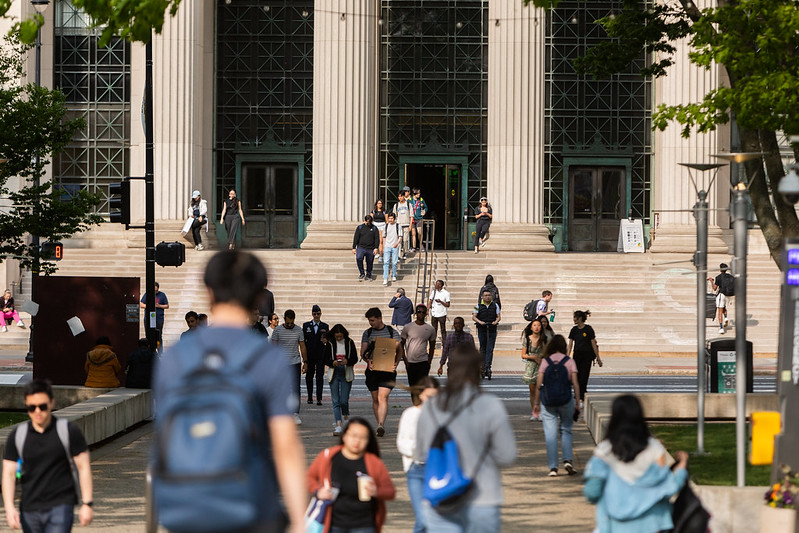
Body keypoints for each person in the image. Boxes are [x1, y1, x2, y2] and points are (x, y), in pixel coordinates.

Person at [152, 250, 307, 532]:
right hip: (249, 503)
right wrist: (299, 521)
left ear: (209, 291)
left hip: (183, 503)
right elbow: (285, 446)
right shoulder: (265, 357)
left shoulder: (176, 356)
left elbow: (164, 432)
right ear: (259, 296)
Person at [415, 344, 516, 531]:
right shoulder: (490, 405)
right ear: (478, 369)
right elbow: (506, 455)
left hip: (441, 495)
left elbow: (421, 454)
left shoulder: (431, 407)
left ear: (450, 368)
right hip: (482, 495)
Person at [584, 395, 690, 533]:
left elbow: (592, 492)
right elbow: (668, 488)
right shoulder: (654, 449)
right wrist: (682, 467)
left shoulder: (604, 452)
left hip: (615, 525)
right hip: (654, 524)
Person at [2, 379, 94, 532]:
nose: (37, 411)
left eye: (42, 407)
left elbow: (83, 467)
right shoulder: (18, 436)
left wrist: (87, 503)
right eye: (32, 408)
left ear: (52, 403)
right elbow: (9, 473)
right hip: (30, 507)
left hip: (61, 505)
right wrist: (9, 507)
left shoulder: (68, 431)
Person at [306, 417, 396, 533]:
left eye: (362, 438)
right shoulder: (328, 456)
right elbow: (309, 478)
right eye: (353, 436)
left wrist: (376, 491)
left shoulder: (373, 462)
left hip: (364, 524)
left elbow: (390, 491)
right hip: (334, 523)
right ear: (344, 436)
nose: (357, 441)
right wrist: (318, 491)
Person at [532, 335, 581, 477]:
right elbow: (576, 384)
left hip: (548, 401)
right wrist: (577, 402)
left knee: (550, 435)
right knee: (566, 430)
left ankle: (553, 467)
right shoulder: (569, 361)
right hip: (566, 399)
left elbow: (539, 384)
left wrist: (536, 403)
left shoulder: (545, 362)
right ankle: (567, 460)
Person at [396, 376, 440, 533]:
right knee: (422, 519)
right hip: (416, 470)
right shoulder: (410, 414)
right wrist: (418, 449)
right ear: (421, 395)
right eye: (429, 397)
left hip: (438, 471)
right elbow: (402, 443)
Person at [360, 307, 401, 438]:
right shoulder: (367, 333)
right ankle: (379, 423)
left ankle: (381, 424)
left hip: (387, 370)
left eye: (372, 320)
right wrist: (368, 362)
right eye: (369, 321)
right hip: (373, 370)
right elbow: (363, 351)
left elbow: (399, 349)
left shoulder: (391, 332)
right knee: (375, 398)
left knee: (382, 397)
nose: (371, 323)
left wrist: (396, 363)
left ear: (379, 318)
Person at [271, 309, 308, 425]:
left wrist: (305, 361)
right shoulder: (277, 330)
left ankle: (295, 413)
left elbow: (302, 346)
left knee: (296, 388)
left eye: (291, 323)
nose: (290, 325)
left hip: (295, 362)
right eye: (288, 323)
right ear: (284, 320)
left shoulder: (298, 330)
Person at [324, 324, 359, 435]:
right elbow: (325, 358)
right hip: (334, 372)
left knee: (344, 400)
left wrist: (347, 361)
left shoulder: (349, 342)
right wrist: (333, 362)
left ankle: (346, 416)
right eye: (336, 337)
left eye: (340, 337)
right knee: (335, 401)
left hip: (346, 372)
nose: (338, 338)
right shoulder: (330, 343)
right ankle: (338, 424)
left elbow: (355, 358)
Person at [401, 305, 436, 403]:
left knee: (422, 387)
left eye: (423, 312)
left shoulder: (430, 329)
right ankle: (415, 405)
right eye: (419, 312)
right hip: (411, 362)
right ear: (415, 313)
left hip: (423, 362)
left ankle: (422, 405)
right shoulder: (408, 327)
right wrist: (405, 359)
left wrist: (429, 361)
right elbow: (401, 344)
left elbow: (432, 346)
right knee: (413, 387)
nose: (421, 314)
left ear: (426, 314)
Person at [568, 309, 603, 409]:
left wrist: (598, 358)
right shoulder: (574, 330)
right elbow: (570, 345)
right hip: (577, 356)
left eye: (576, 317)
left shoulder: (588, 329)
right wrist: (566, 357)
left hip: (587, 356)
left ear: (580, 318)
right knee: (576, 377)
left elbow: (593, 344)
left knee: (584, 377)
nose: (574, 319)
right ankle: (578, 395)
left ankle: (581, 397)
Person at [303, 305, 329, 406]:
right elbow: (303, 342)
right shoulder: (306, 326)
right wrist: (304, 358)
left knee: (319, 376)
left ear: (321, 314)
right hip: (309, 355)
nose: (316, 316)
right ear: (312, 314)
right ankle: (310, 396)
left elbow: (327, 340)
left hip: (320, 355)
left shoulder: (324, 326)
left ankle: (319, 398)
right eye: (314, 314)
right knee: (309, 376)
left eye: (318, 314)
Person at [522, 317, 547, 421]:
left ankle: (541, 411)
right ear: (531, 328)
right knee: (532, 391)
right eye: (535, 325)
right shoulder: (527, 339)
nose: (537, 327)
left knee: (540, 390)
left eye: (539, 325)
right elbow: (523, 355)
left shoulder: (544, 338)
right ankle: (535, 412)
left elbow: (547, 353)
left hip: (541, 366)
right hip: (531, 366)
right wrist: (533, 357)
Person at [473, 289, 501, 380]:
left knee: (490, 348)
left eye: (489, 295)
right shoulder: (478, 306)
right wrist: (480, 322)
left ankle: (488, 365)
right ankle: (482, 365)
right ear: (482, 296)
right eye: (485, 295)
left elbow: (499, 316)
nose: (487, 297)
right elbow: (474, 316)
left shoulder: (495, 305)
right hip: (482, 329)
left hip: (492, 329)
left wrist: (495, 322)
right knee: (483, 348)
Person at [140, 281, 169, 352]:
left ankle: (160, 351)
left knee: (158, 335)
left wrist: (159, 306)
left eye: (156, 290)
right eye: (154, 290)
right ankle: (149, 350)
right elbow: (141, 304)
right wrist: (150, 305)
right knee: (148, 335)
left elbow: (167, 305)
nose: (155, 292)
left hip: (159, 318)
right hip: (149, 318)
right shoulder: (147, 294)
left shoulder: (162, 295)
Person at [352, 214, 380, 282]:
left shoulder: (374, 228)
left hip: (371, 248)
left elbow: (377, 238)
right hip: (361, 247)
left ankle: (368, 275)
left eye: (370, 222)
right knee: (359, 258)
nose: (368, 223)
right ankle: (362, 273)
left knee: (370, 262)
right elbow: (356, 237)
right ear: (364, 221)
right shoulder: (360, 227)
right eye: (367, 221)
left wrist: (376, 248)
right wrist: (354, 247)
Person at [708, 262, 734, 334]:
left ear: (720, 269)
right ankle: (725, 318)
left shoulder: (718, 277)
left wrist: (711, 282)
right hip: (728, 295)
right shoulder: (731, 277)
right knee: (724, 307)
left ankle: (721, 328)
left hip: (721, 294)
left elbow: (715, 288)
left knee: (719, 311)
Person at [427, 280, 450, 346]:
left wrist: (441, 302)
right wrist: (428, 309)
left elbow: (448, 305)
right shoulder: (434, 292)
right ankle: (433, 343)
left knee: (443, 329)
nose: (436, 285)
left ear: (440, 285)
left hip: (442, 313)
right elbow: (430, 301)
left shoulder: (446, 293)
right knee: (434, 329)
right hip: (434, 313)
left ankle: (444, 343)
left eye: (437, 284)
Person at [381, 212, 402, 286]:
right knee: (386, 262)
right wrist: (383, 246)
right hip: (387, 245)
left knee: (394, 262)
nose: (390, 220)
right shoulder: (386, 226)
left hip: (395, 246)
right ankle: (385, 278)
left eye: (391, 218)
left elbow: (400, 236)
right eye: (389, 218)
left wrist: (397, 243)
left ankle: (393, 275)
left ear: (394, 219)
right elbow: (383, 237)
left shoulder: (398, 226)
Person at [392, 189, 412, 260]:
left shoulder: (408, 205)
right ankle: (399, 254)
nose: (400, 198)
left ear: (404, 196)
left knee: (405, 240)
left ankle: (405, 252)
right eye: (399, 197)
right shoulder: (396, 205)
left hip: (406, 224)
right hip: (399, 225)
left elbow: (411, 216)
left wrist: (410, 225)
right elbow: (394, 216)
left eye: (401, 196)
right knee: (399, 240)